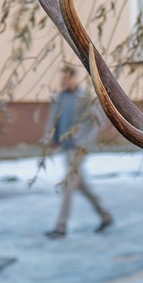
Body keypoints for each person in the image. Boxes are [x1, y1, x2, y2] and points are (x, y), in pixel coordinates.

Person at [42, 65, 113, 238]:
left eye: (67, 78)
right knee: (81, 185)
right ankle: (105, 216)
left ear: (74, 79)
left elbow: (98, 121)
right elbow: (53, 120)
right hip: (66, 148)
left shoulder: (84, 98)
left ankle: (61, 227)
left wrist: (85, 141)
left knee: (68, 184)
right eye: (62, 79)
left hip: (78, 149)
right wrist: (50, 138)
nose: (64, 82)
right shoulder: (60, 98)